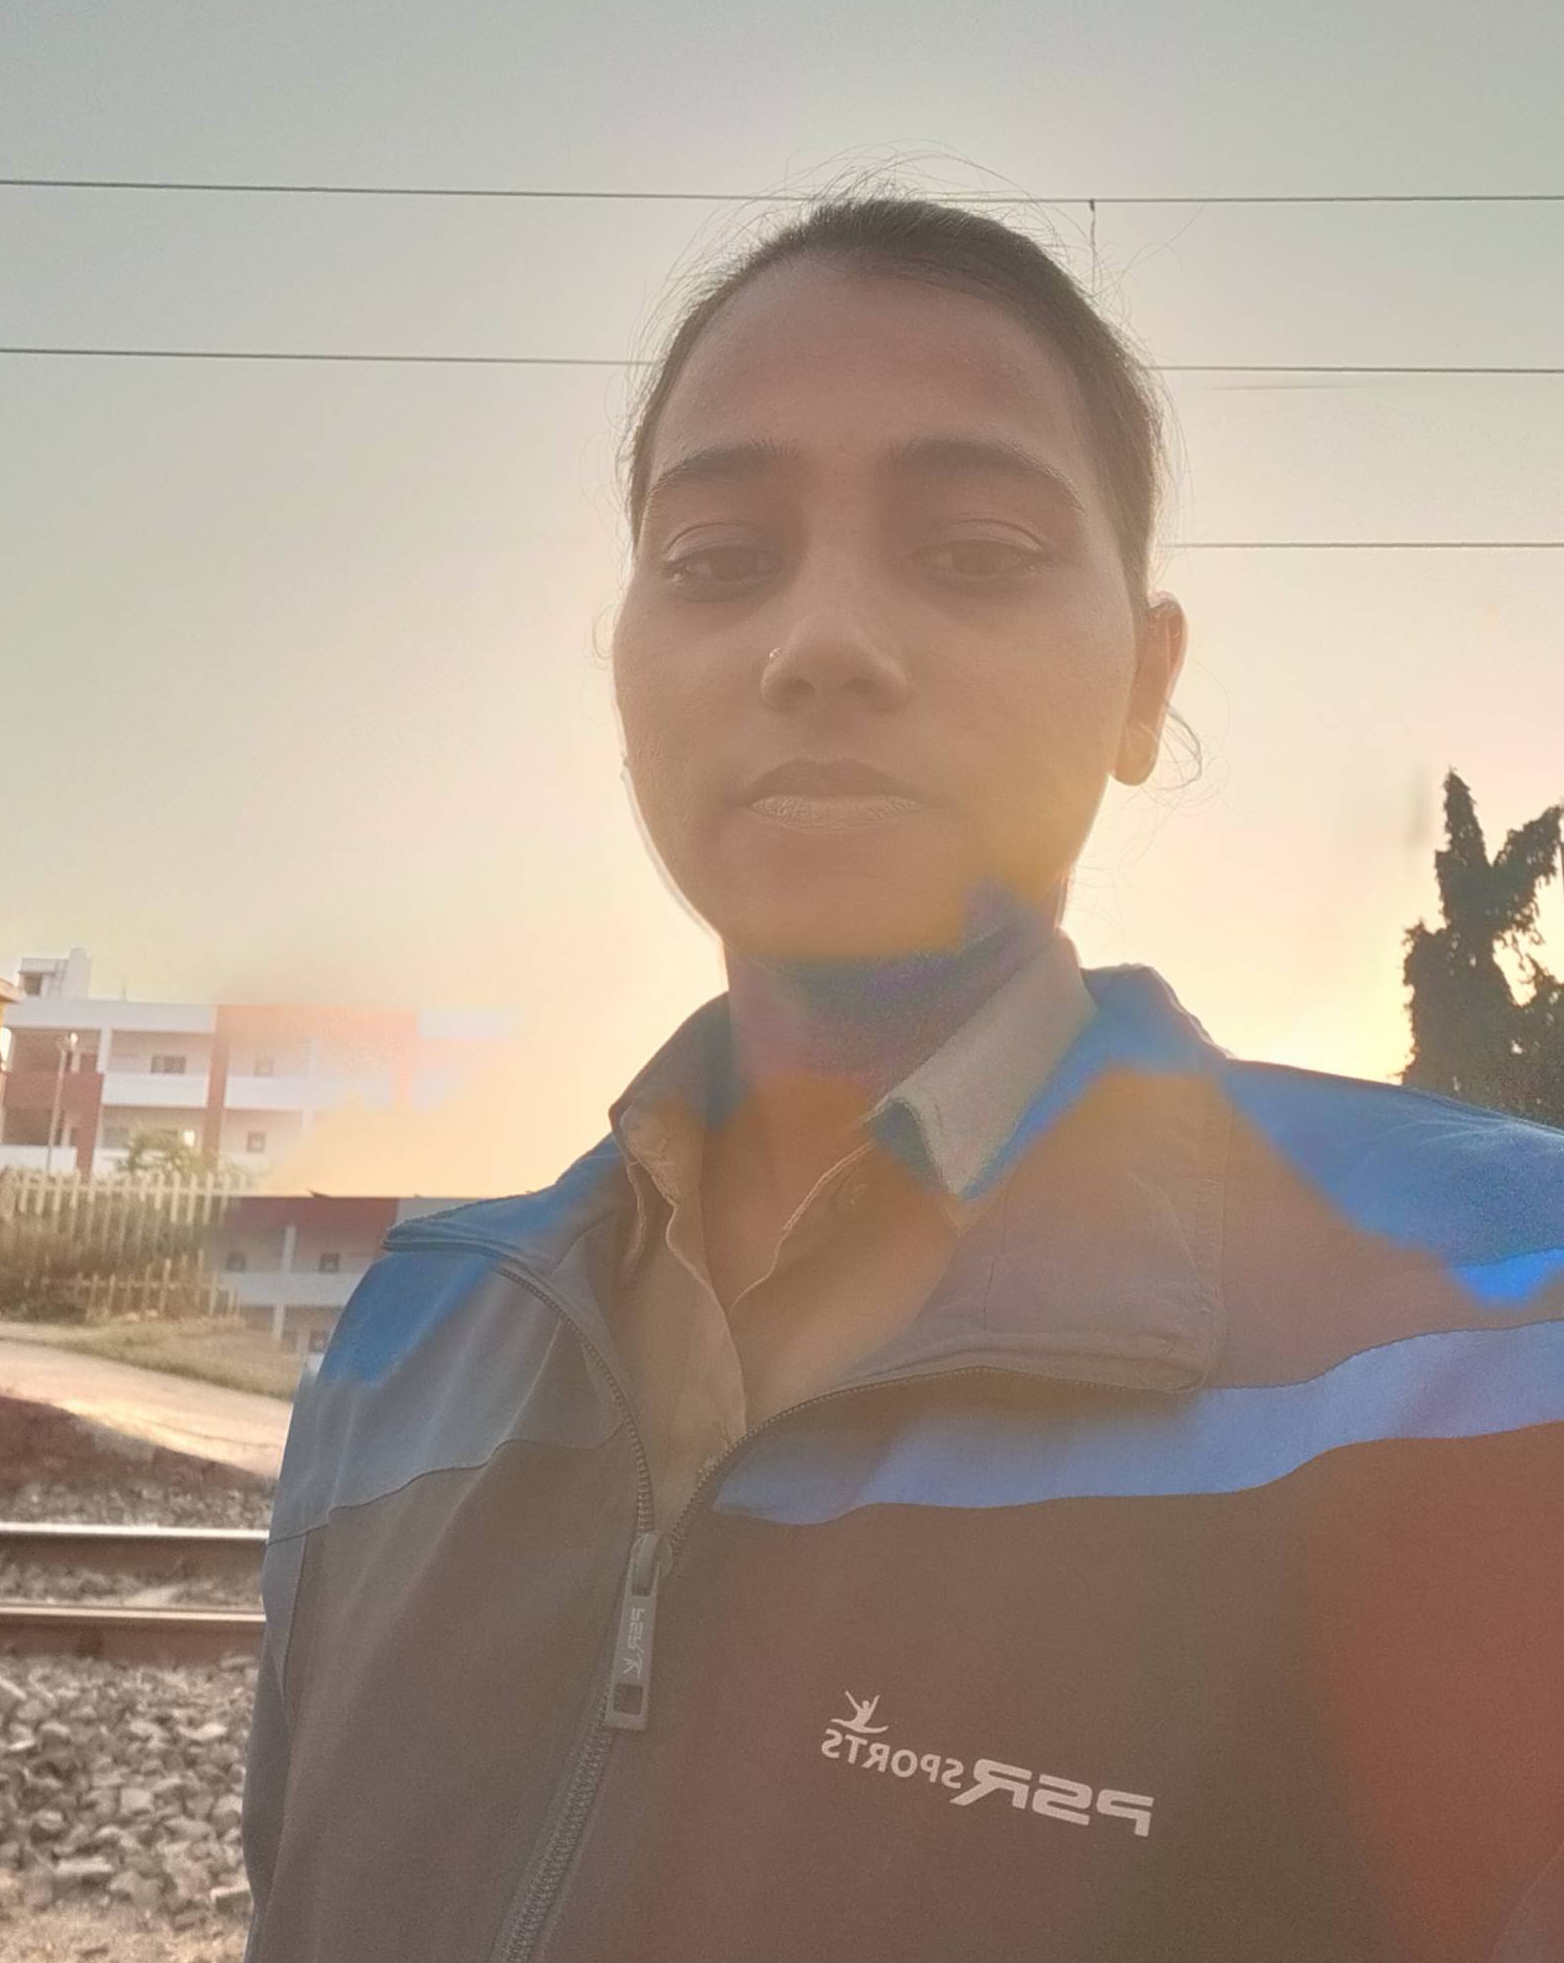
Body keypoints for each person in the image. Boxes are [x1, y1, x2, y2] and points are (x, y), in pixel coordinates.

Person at [241, 194, 1564, 1963]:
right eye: (718, 559)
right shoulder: (402, 1348)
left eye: (976, 550)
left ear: (1144, 683)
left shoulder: (1500, 1336)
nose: (822, 642)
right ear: (623, 675)